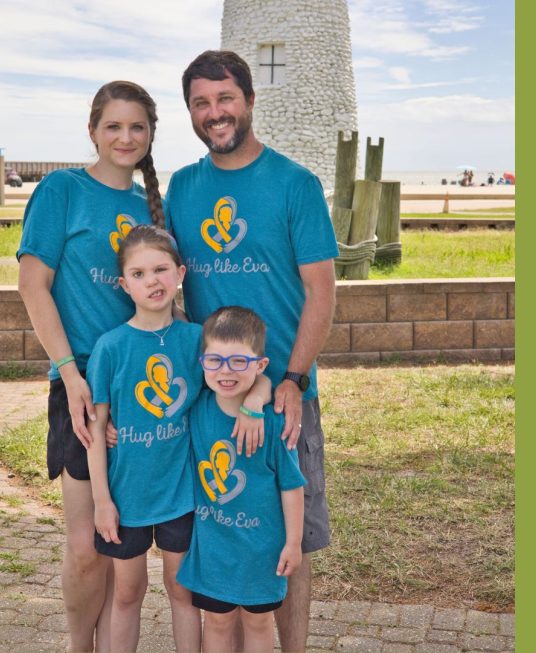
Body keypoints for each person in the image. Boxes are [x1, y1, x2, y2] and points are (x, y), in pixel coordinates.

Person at [164, 50, 338, 652]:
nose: (215, 113)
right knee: (219, 529)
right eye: (201, 103)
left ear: (250, 99)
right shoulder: (182, 188)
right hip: (209, 399)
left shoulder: (295, 184)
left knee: (292, 536)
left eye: (225, 98)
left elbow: (321, 289)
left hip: (284, 397)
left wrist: (291, 377)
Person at [15, 80, 166, 653]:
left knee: (122, 546)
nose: (125, 137)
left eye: (137, 127)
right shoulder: (62, 191)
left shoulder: (153, 207)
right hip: (79, 388)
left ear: (150, 135)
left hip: (144, 392)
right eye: (114, 126)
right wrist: (70, 373)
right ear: (92, 131)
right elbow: (34, 286)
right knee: (85, 546)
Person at [87, 226, 272, 653]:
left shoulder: (195, 341)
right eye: (138, 273)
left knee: (181, 591)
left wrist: (254, 404)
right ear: (123, 284)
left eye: (160, 269)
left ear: (181, 273)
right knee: (128, 592)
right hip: (126, 496)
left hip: (184, 494)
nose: (151, 281)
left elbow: (252, 377)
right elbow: (97, 429)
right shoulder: (110, 348)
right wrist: (101, 500)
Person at [177, 306, 306, 653]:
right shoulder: (196, 409)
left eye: (238, 362)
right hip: (213, 547)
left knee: (258, 623)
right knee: (216, 623)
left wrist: (293, 542)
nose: (226, 371)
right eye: (215, 361)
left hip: (262, 550)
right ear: (201, 362)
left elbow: (291, 487)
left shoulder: (276, 424)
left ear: (261, 366)